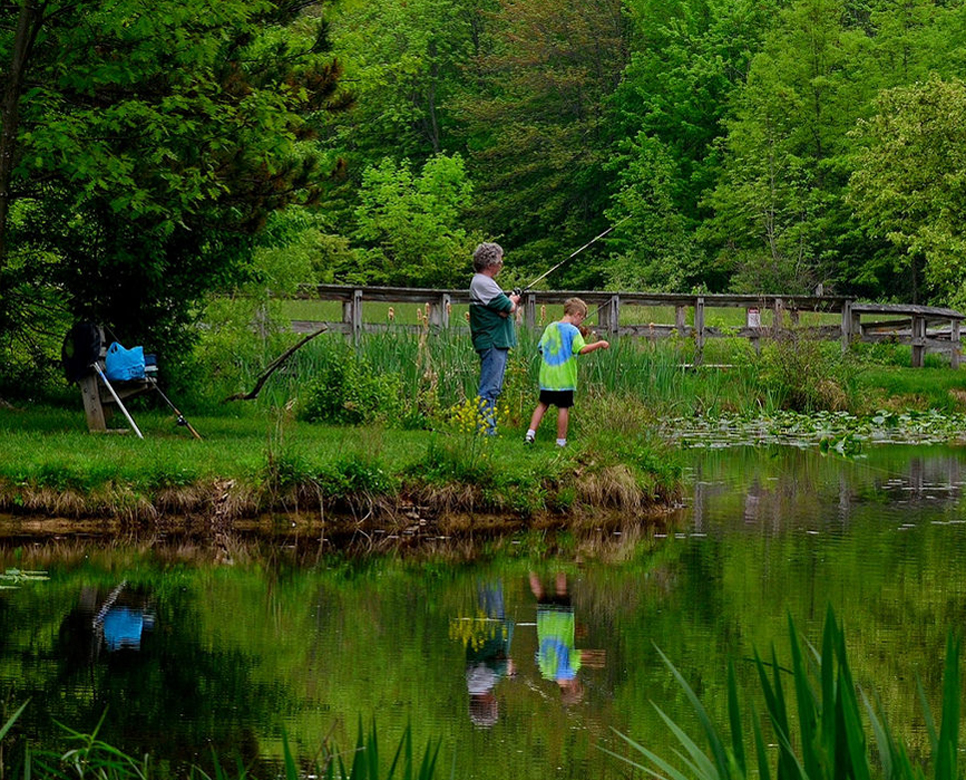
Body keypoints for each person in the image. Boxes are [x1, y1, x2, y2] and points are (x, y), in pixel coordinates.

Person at [524, 297, 609, 447]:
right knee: (563, 408)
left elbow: (541, 348)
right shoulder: (572, 331)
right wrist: (599, 343)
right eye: (581, 319)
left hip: (547, 377)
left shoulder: (550, 327)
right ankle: (561, 441)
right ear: (576, 314)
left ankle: (530, 434)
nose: (581, 322)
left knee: (542, 405)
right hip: (564, 379)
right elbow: (581, 349)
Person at [469, 243, 521, 434]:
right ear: (491, 263)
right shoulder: (482, 282)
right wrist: (513, 300)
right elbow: (507, 308)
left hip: (495, 340)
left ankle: (487, 427)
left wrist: (508, 303)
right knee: (489, 388)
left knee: (493, 387)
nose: (501, 264)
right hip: (492, 340)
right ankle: (485, 430)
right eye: (500, 260)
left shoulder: (484, 283)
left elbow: (501, 310)